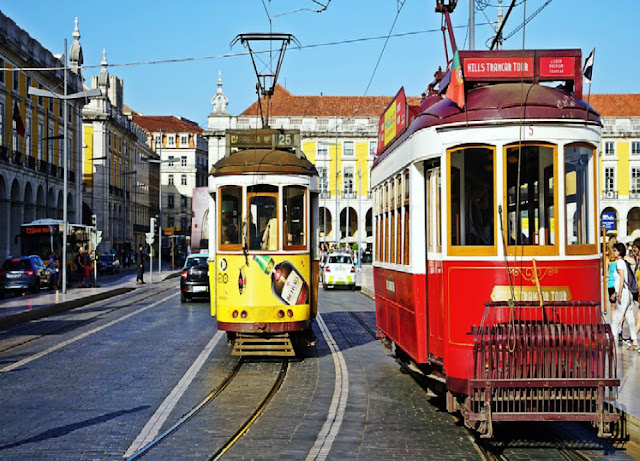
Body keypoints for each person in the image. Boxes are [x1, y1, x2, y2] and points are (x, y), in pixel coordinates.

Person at [610, 242, 638, 350]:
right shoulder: (624, 262)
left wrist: (619, 293)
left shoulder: (620, 263)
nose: (614, 252)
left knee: (617, 316)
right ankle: (634, 340)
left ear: (620, 252)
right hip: (628, 292)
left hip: (624, 293)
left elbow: (621, 278)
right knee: (629, 317)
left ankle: (612, 338)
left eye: (615, 250)